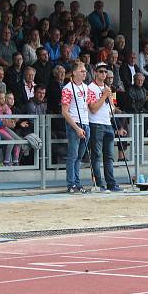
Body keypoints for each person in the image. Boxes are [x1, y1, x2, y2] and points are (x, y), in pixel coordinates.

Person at [87, 62, 121, 192]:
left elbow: (112, 107)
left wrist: (109, 98)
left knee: (109, 156)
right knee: (96, 156)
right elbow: (93, 108)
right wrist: (104, 96)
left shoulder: (108, 88)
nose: (103, 74)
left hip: (107, 123)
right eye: (101, 71)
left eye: (105, 72)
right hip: (96, 123)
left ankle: (111, 183)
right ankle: (99, 184)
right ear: (95, 72)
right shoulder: (90, 88)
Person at [61, 61, 91, 194]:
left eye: (85, 71)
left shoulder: (86, 87)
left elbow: (89, 105)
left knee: (79, 156)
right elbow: (65, 111)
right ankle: (71, 183)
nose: (84, 73)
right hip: (75, 124)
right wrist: (76, 128)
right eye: (82, 71)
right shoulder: (67, 88)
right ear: (74, 72)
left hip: (86, 123)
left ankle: (77, 183)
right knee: (73, 156)